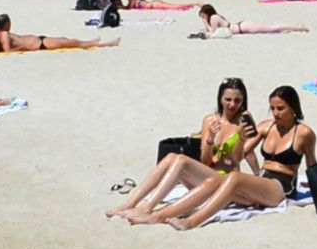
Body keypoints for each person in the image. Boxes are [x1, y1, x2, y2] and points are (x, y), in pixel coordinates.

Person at [137, 85, 317, 230]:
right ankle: (159, 215)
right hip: (261, 183)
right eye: (272, 108)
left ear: (293, 108)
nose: (276, 113)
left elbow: (312, 165)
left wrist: (315, 187)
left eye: (281, 108)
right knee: (212, 182)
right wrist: (241, 138)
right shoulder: (266, 127)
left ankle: (192, 221)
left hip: (281, 187)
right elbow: (239, 156)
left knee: (234, 177)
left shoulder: (304, 133)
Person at [109, 78, 258, 220]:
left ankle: (147, 208)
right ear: (220, 99)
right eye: (228, 99)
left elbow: (241, 157)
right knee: (171, 157)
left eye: (237, 100)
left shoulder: (243, 122)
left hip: (226, 182)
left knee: (181, 160)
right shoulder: (209, 120)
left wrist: (258, 174)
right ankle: (130, 203)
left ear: (243, 101)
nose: (232, 105)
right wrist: (210, 138)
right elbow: (205, 162)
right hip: (206, 178)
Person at [0, 14, 119, 52]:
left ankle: (94, 42)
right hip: (39, 44)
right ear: (6, 24)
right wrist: (22, 47)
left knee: (65, 39)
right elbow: (7, 51)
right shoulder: (5, 34)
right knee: (71, 42)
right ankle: (101, 44)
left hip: (40, 41)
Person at [197, 3, 307, 37]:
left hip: (243, 28)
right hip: (242, 26)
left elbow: (213, 32)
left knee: (271, 28)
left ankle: (297, 27)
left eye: (202, 15)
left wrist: (205, 21)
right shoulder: (215, 16)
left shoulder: (213, 17)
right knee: (270, 28)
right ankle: (295, 27)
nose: (202, 17)